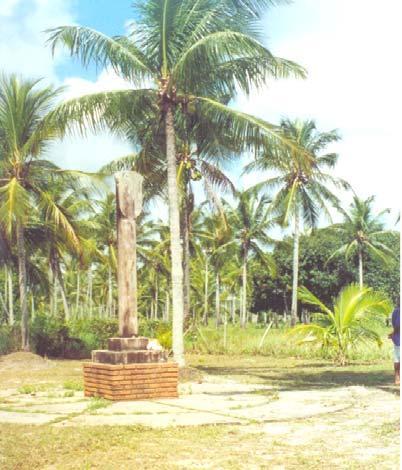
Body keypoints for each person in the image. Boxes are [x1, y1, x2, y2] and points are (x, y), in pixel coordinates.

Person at [389, 306, 400, 385]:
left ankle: (397, 378)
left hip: (397, 339)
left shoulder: (395, 311)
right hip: (398, 337)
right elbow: (398, 324)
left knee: (397, 359)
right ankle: (397, 378)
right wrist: (393, 333)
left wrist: (393, 334)